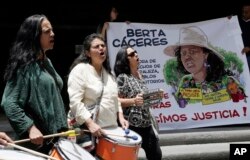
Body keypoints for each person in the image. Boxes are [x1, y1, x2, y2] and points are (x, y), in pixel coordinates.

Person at [1, 14, 68, 154]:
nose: (52, 34)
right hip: (36, 145)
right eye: (47, 31)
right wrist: (30, 128)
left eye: (52, 30)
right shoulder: (24, 66)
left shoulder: (46, 62)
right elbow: (9, 103)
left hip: (55, 140)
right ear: (34, 36)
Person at [67, 33, 128, 154]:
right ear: (88, 53)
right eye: (96, 46)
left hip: (109, 131)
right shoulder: (80, 70)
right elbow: (75, 102)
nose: (101, 48)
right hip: (88, 131)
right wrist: (90, 124)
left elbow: (114, 99)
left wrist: (121, 116)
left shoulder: (109, 73)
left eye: (103, 45)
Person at [114, 46, 162, 160]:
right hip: (131, 126)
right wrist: (133, 101)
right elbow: (115, 101)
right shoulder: (122, 78)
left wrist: (154, 96)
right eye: (131, 54)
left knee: (156, 155)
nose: (136, 54)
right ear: (125, 60)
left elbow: (142, 99)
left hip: (146, 124)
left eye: (135, 52)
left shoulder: (140, 76)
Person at [164, 26, 235, 104]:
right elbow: (180, 105)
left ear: (205, 55)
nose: (187, 57)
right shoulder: (185, 81)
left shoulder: (226, 80)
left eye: (193, 51)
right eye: (183, 53)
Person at [239, 3, 250, 69]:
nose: (243, 14)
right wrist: (228, 20)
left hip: (248, 56)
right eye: (243, 12)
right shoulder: (237, 21)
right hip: (237, 53)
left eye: (246, 12)